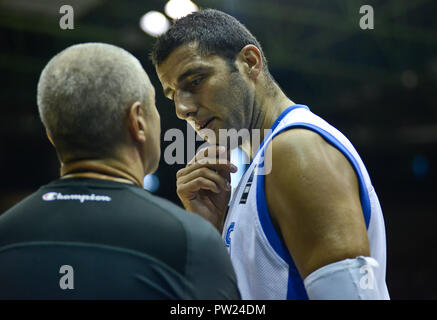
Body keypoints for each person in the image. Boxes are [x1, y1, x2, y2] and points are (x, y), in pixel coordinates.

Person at [152, 9, 390, 299]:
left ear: (249, 62)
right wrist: (212, 233)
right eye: (173, 94)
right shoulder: (260, 165)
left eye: (195, 81)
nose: (182, 108)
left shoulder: (296, 150)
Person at [0, 43, 240, 300]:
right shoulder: (189, 242)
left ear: (51, 136)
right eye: (155, 107)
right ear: (138, 121)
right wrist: (205, 239)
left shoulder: (6, 234)